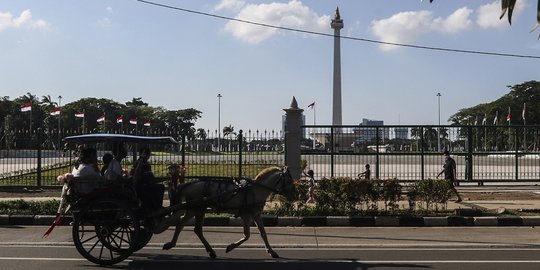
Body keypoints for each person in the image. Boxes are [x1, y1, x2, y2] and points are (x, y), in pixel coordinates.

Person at [132, 147, 164, 212]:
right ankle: (157, 207)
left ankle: (156, 206)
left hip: (147, 184)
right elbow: (136, 175)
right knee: (160, 188)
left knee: (160, 187)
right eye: (146, 154)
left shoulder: (147, 164)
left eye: (148, 154)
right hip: (141, 186)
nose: (147, 156)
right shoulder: (138, 163)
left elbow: (150, 177)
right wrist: (141, 160)